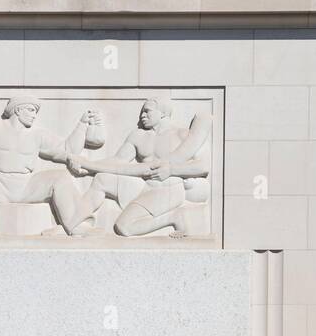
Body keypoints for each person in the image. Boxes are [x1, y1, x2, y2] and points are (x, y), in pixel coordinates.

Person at [0, 98, 105, 237]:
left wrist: (82, 125)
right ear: (18, 109)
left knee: (60, 176)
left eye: (35, 112)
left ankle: (77, 225)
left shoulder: (38, 134)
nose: (34, 115)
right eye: (31, 110)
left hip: (26, 186)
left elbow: (67, 149)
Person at [64, 99, 212, 238]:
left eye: (148, 111)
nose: (142, 115)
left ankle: (173, 217)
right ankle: (71, 225)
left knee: (124, 228)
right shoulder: (138, 136)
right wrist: (89, 168)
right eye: (142, 112)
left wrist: (172, 170)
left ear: (163, 113)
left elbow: (203, 166)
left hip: (167, 189)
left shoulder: (182, 135)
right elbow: (118, 161)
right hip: (142, 184)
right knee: (102, 179)